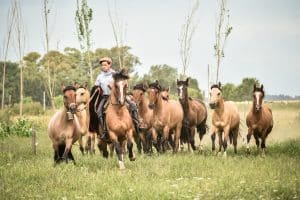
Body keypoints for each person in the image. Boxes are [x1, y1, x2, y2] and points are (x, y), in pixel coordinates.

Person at [95, 57, 140, 141]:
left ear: (109, 65)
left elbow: (123, 83)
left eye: (105, 65)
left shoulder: (115, 74)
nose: (103, 67)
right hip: (105, 96)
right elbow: (97, 86)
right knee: (99, 111)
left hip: (119, 95)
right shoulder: (99, 76)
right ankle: (105, 130)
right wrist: (97, 88)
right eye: (102, 65)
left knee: (133, 104)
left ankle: (137, 124)